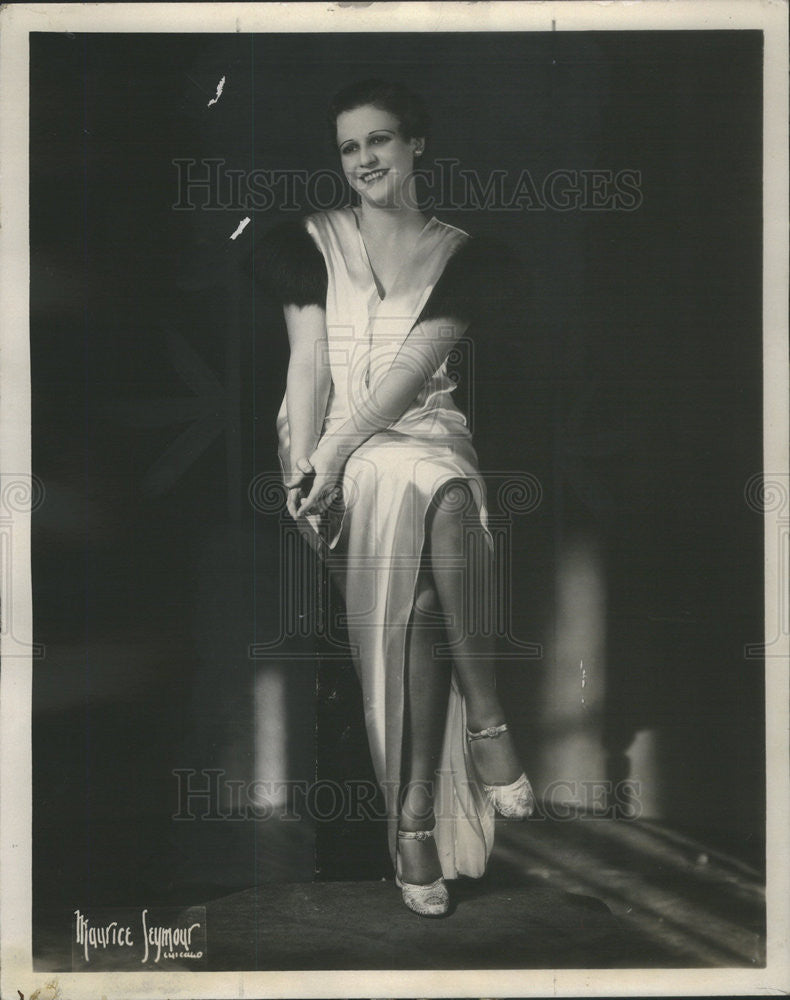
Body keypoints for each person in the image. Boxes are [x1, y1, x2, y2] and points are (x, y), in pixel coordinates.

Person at [259, 79, 534, 917]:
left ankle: (421, 814)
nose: (365, 159)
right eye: (349, 147)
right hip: (326, 445)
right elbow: (308, 364)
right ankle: (487, 734)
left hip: (423, 433)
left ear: (416, 147)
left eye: (380, 140)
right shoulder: (306, 240)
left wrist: (345, 450)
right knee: (426, 513)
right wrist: (310, 465)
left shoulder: (468, 254)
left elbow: (416, 373)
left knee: (441, 496)